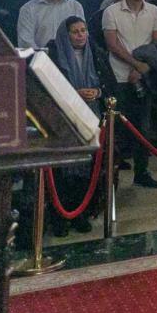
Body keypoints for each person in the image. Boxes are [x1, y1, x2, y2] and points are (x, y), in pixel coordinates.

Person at [102, 0, 157, 189]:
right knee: (117, 126)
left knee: (142, 124)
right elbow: (112, 44)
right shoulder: (111, 12)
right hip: (119, 74)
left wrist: (142, 68)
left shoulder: (154, 11)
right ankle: (113, 171)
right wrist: (135, 63)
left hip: (144, 75)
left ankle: (142, 170)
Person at [45, 16, 104, 235]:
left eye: (83, 30)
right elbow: (47, 88)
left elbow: (107, 84)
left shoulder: (96, 53)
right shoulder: (53, 56)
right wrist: (74, 94)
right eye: (75, 32)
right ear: (65, 34)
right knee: (63, 170)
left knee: (85, 167)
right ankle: (60, 218)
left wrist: (96, 93)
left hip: (90, 116)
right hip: (62, 120)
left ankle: (80, 214)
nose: (80, 35)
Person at [16, 0, 85, 51]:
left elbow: (83, 36)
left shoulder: (75, 7)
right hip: (41, 61)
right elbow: (26, 42)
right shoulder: (28, 10)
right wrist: (48, 59)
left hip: (72, 60)